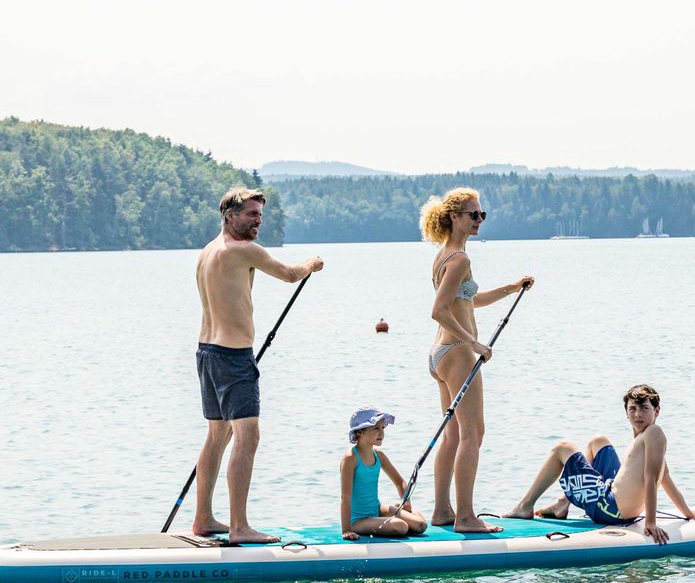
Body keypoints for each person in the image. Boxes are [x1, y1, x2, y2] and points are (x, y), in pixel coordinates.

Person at [189, 186, 324, 542]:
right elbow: (290, 274)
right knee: (248, 436)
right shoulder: (243, 249)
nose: (257, 222)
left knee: (217, 435)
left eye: (260, 215)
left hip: (207, 352)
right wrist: (311, 264)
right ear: (230, 215)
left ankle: (203, 518)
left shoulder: (207, 252)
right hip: (233, 358)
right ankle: (240, 527)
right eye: (251, 214)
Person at [422, 187, 534, 534]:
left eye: (482, 214)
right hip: (456, 353)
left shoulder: (446, 255)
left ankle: (442, 511)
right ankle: (466, 517)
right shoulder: (460, 259)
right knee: (473, 433)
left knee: (453, 436)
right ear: (454, 217)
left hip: (439, 356)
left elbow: (468, 300)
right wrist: (475, 344)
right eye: (474, 215)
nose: (479, 220)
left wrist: (512, 287)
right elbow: (438, 310)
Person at [506, 384, 695, 543]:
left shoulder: (654, 433)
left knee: (562, 448)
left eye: (644, 408)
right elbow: (666, 478)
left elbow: (653, 479)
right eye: (633, 408)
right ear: (626, 413)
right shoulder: (644, 438)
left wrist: (650, 523)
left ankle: (525, 506)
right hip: (612, 498)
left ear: (657, 411)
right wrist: (688, 513)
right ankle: (563, 502)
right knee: (599, 441)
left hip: (610, 509)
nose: (638, 414)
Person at [339, 408, 428, 540]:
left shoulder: (378, 455)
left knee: (421, 526)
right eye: (376, 428)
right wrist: (346, 529)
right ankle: (392, 516)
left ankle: (400, 509)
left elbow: (399, 482)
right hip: (358, 520)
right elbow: (345, 497)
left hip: (378, 510)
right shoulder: (350, 458)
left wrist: (406, 503)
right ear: (360, 432)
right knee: (401, 527)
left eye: (383, 428)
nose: (381, 433)